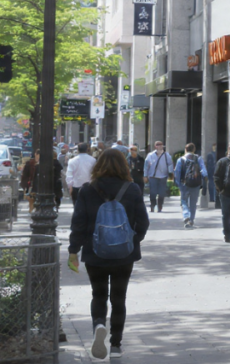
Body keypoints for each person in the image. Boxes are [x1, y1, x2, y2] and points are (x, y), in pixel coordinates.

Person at [68, 149, 150, 360]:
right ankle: (115, 345)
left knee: (99, 295)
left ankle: (99, 326)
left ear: (98, 165)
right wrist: (133, 241)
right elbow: (143, 222)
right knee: (119, 298)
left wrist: (73, 250)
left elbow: (78, 222)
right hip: (124, 254)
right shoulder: (131, 189)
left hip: (95, 253)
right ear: (124, 166)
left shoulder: (87, 190)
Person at [173, 143, 208, 229]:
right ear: (194, 150)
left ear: (185, 149)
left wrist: (178, 183)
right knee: (193, 203)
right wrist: (204, 178)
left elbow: (177, 172)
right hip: (195, 184)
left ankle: (186, 215)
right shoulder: (198, 158)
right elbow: (204, 170)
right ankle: (191, 220)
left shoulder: (181, 159)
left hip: (184, 183)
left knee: (184, 201)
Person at [143, 141, 173, 212]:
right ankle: (153, 206)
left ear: (163, 146)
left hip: (163, 177)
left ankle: (160, 206)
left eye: (160, 145)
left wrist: (171, 173)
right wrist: (145, 175)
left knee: (162, 193)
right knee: (153, 193)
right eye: (157, 145)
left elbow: (170, 164)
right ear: (155, 146)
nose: (159, 146)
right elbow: (146, 166)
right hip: (152, 176)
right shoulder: (150, 155)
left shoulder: (166, 155)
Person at [204, 144, 219, 209]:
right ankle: (212, 198)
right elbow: (208, 164)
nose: (214, 147)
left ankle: (215, 197)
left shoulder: (217, 154)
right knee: (211, 185)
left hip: (217, 171)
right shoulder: (210, 155)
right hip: (211, 172)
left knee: (215, 185)